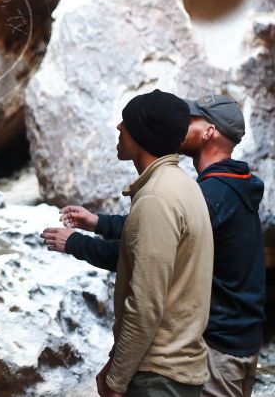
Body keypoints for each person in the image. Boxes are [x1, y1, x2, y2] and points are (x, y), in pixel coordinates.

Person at [41, 94, 266, 397]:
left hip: (214, 345)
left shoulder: (207, 194)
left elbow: (145, 273)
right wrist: (100, 223)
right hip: (235, 337)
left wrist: (77, 243)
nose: (180, 126)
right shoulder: (214, 186)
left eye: (189, 120)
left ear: (209, 132)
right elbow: (148, 233)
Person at [64, 90, 213, 396]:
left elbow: (145, 305)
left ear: (144, 134)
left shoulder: (157, 199)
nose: (119, 128)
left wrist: (117, 380)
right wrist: (115, 362)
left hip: (157, 376)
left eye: (127, 123)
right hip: (168, 370)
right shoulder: (181, 184)